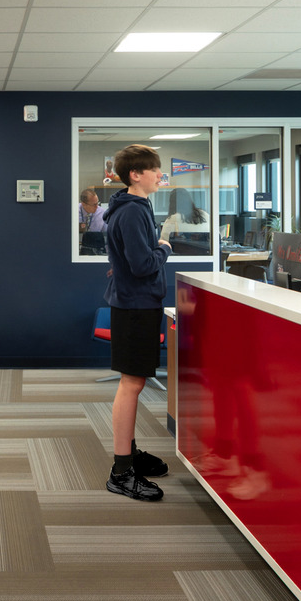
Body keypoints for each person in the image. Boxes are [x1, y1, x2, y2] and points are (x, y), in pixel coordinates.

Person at [103, 144, 173, 502]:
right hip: (135, 307)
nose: (160, 175)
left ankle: (128, 453)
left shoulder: (134, 206)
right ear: (135, 174)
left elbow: (127, 258)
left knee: (133, 382)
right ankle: (121, 471)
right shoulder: (132, 211)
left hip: (137, 303)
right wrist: (164, 248)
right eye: (154, 169)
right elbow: (143, 264)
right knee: (131, 384)